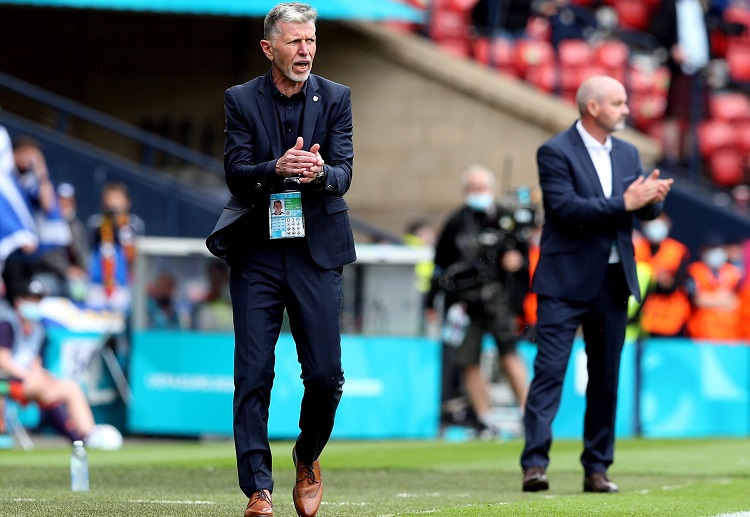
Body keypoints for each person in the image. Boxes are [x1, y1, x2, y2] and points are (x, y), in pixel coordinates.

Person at [204, 3, 356, 516]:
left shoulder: (336, 97)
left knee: (325, 376)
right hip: (258, 254)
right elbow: (236, 172)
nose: (305, 51)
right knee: (252, 374)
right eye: (295, 42)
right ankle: (258, 489)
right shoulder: (240, 99)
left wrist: (318, 173)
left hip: (316, 254)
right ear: (269, 48)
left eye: (311, 41)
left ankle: (307, 456)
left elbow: (345, 173)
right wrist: (276, 168)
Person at [521, 75, 673, 494]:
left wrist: (653, 198)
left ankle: (597, 467)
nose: (627, 110)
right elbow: (566, 209)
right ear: (593, 107)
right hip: (565, 281)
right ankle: (535, 464)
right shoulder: (554, 151)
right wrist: (626, 202)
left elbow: (641, 210)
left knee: (606, 378)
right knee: (549, 372)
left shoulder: (628, 153)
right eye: (619, 103)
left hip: (612, 283)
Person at [426, 164, 531, 439]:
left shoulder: (505, 219)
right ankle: (485, 419)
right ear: (465, 191)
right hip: (465, 302)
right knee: (468, 360)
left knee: (509, 354)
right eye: (473, 188)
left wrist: (517, 263)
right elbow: (439, 265)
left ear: (492, 190)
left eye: (482, 188)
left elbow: (524, 258)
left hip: (499, 299)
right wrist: (431, 301)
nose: (478, 193)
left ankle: (529, 414)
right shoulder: (456, 222)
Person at [0, 278, 121, 449]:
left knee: (70, 388)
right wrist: (30, 376)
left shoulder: (38, 329)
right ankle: (73, 437)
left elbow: (35, 361)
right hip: (5, 381)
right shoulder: (7, 324)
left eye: (37, 301)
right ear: (19, 302)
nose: (35, 305)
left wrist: (40, 374)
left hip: (28, 381)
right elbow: (3, 360)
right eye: (31, 300)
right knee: (43, 390)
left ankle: (88, 435)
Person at [86, 182, 145, 312]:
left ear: (127, 202)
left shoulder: (134, 224)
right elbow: (91, 243)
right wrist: (109, 221)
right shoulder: (96, 222)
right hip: (98, 283)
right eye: (110, 198)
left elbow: (133, 253)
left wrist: (122, 224)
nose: (114, 203)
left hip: (124, 283)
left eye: (118, 198)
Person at [632, 213, 691, 337]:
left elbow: (674, 284)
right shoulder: (636, 247)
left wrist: (659, 280)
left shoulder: (677, 251)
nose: (656, 227)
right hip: (638, 317)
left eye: (661, 222)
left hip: (668, 319)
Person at [685, 235, 743, 340]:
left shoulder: (734, 272)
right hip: (701, 333)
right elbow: (698, 300)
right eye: (711, 249)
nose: (716, 253)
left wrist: (710, 297)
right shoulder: (695, 270)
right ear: (703, 251)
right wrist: (722, 298)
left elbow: (736, 301)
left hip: (728, 333)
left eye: (719, 249)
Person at [191, 259, 234, 332]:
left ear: (226, 278)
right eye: (211, 279)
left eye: (217, 278)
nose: (213, 281)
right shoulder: (202, 305)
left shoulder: (235, 302)